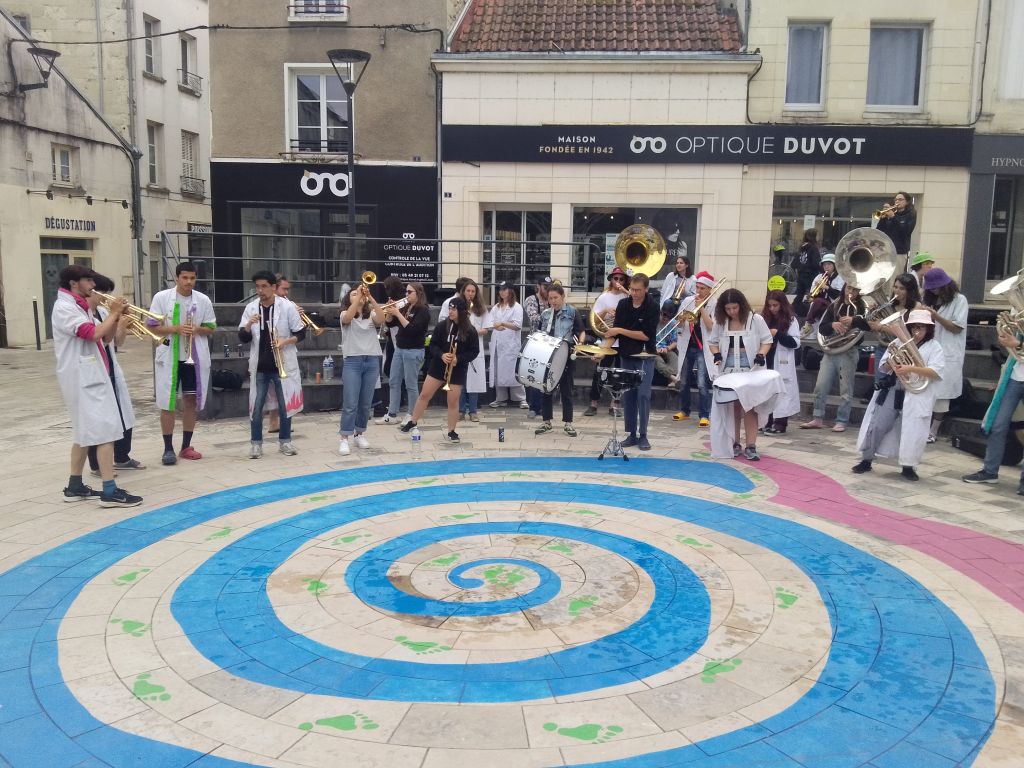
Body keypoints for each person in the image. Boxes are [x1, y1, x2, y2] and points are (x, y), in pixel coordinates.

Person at [52, 266, 142, 507]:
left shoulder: (80, 306)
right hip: (84, 378)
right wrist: (113, 312)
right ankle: (109, 490)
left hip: (90, 374)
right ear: (74, 283)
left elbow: (106, 338)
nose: (92, 284)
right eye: (88, 280)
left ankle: (74, 486)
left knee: (83, 433)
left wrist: (116, 318)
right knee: (105, 431)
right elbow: (91, 334)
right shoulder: (65, 308)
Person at [853, 309, 944, 481]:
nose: (917, 331)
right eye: (915, 327)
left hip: (917, 393)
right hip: (894, 389)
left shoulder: (935, 347)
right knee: (878, 424)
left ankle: (908, 466)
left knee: (912, 430)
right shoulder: (898, 342)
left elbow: (936, 371)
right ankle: (866, 460)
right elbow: (883, 367)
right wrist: (891, 363)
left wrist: (911, 368)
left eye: (922, 327)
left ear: (928, 329)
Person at [148, 262, 216, 465]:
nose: (189, 282)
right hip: (170, 355)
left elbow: (211, 327)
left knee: (191, 401)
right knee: (167, 402)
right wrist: (176, 328)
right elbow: (151, 326)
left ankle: (186, 446)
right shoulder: (161, 297)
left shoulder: (203, 300)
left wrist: (197, 330)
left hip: (193, 358)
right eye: (185, 278)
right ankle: (167, 448)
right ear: (177, 278)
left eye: (192, 278)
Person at [238, 271, 304, 459]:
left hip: (282, 363)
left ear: (274, 287)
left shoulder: (287, 307)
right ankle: (256, 444)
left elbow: (301, 332)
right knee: (257, 406)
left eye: (264, 286)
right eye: (257, 287)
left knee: (285, 406)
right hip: (260, 366)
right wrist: (248, 325)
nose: (260, 290)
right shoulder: (251, 308)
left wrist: (285, 342)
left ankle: (285, 441)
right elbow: (243, 338)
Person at [85, 274, 144, 476]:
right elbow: (95, 338)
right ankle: (97, 465)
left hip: (111, 368)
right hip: (94, 371)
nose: (107, 297)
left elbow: (115, 342)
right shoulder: (84, 314)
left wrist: (121, 325)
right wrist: (115, 317)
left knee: (123, 413)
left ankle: (122, 456)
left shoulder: (103, 311)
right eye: (104, 293)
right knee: (99, 419)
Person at [708, 288, 775, 460]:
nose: (731, 312)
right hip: (729, 372)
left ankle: (751, 445)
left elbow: (767, 340)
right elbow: (713, 342)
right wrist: (716, 354)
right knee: (733, 409)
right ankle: (735, 442)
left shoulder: (756, 320)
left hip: (750, 371)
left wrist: (761, 354)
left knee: (750, 407)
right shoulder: (721, 322)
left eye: (735, 308)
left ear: (741, 306)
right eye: (728, 309)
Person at [401, 297, 480, 442]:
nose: (450, 311)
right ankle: (413, 421)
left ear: (462, 311)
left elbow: (474, 351)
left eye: (454, 309)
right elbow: (432, 345)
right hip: (438, 366)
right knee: (424, 394)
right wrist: (442, 355)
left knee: (453, 401)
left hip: (457, 369)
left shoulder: (470, 331)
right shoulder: (442, 325)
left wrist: (458, 359)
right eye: (449, 308)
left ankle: (451, 431)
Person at [962, 325, 1024, 495]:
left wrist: (1017, 343)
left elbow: (1017, 344)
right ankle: (990, 471)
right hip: (1014, 375)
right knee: (997, 425)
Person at [801, 283, 868, 432]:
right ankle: (817, 417)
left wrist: (853, 321)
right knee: (820, 386)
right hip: (831, 350)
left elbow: (866, 328)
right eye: (849, 288)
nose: (851, 292)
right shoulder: (834, 305)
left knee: (846, 390)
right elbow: (822, 328)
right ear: (844, 289)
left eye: (855, 290)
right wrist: (833, 324)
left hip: (849, 351)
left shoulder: (862, 307)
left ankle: (842, 420)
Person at [605, 274, 659, 450]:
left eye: (638, 290)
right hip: (626, 354)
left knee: (643, 395)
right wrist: (602, 351)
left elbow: (646, 335)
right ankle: (631, 434)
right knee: (628, 395)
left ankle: (643, 434)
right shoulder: (623, 304)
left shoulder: (652, 306)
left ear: (646, 289)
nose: (634, 293)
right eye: (632, 289)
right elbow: (615, 334)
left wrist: (620, 329)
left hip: (645, 355)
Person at [919, 268, 968, 442]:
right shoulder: (932, 300)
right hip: (931, 349)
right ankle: (923, 428)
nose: (933, 291)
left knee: (942, 394)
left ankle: (933, 431)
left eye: (936, 288)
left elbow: (956, 327)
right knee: (927, 390)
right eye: (930, 289)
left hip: (949, 351)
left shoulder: (960, 300)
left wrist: (935, 316)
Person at [338, 283, 384, 455]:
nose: (358, 296)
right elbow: (348, 317)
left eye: (360, 294)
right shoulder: (345, 313)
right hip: (353, 361)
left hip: (371, 360)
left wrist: (370, 297)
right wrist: (358, 298)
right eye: (353, 294)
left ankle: (359, 433)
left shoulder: (370, 314)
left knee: (365, 403)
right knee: (350, 402)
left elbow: (382, 318)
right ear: (348, 298)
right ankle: (344, 437)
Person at [535, 284, 585, 437]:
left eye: (556, 298)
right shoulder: (545, 314)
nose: (553, 301)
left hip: (566, 354)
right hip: (548, 355)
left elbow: (580, 331)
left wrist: (579, 345)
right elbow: (539, 333)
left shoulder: (572, 312)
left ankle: (568, 423)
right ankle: (546, 422)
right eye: (550, 298)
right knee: (546, 388)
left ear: (563, 297)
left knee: (566, 390)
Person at [377, 282, 429, 426]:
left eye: (409, 292)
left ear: (418, 293)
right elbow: (390, 324)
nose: (406, 295)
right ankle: (392, 413)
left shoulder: (423, 310)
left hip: (413, 350)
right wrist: (389, 312)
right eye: (406, 292)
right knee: (394, 381)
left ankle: (412, 414)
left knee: (411, 384)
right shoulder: (406, 307)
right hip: (400, 349)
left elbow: (413, 329)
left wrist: (398, 313)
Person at [672, 271, 717, 427]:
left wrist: (701, 308)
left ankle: (705, 415)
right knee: (683, 382)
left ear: (710, 290)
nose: (699, 291)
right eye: (697, 287)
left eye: (703, 288)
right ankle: (685, 411)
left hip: (704, 348)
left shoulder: (715, 304)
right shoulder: (688, 301)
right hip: (687, 345)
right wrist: (681, 320)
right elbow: (678, 324)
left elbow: (711, 327)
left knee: (702, 383)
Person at [584, 266, 629, 416]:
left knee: (619, 374)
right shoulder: (604, 297)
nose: (618, 281)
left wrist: (626, 292)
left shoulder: (627, 296)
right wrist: (605, 311)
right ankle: (593, 403)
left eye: (621, 279)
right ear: (611, 280)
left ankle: (614, 405)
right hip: (607, 338)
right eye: (615, 278)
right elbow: (594, 322)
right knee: (600, 372)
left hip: (622, 341)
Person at [865, 273, 923, 390]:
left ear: (910, 291)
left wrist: (882, 327)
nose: (897, 291)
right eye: (895, 287)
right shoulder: (889, 305)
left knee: (901, 388)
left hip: (906, 352)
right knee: (880, 386)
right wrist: (872, 314)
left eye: (902, 288)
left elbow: (910, 333)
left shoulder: (917, 306)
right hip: (885, 348)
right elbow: (875, 325)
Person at [761, 290, 801, 434]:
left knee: (782, 392)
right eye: (770, 305)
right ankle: (767, 420)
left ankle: (780, 423)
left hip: (782, 361)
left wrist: (778, 334)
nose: (772, 309)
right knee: (768, 392)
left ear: (782, 305)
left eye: (775, 305)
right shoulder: (764, 318)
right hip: (768, 359)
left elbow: (795, 342)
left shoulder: (791, 320)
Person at [488, 281, 526, 408]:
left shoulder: (516, 307)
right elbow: (490, 322)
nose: (502, 292)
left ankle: (520, 398)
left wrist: (503, 323)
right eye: (500, 289)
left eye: (505, 289)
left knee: (513, 371)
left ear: (511, 291)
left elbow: (517, 325)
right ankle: (501, 398)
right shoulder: (496, 307)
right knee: (499, 371)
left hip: (511, 345)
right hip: (498, 343)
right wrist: (497, 326)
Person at [267, 274, 295, 434]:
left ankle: (283, 420)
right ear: (274, 288)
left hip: (286, 349)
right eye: (283, 289)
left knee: (287, 387)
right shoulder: (265, 304)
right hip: (271, 350)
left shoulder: (288, 305)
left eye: (287, 289)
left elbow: (297, 330)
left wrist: (297, 314)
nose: (286, 293)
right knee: (272, 388)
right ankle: (273, 422)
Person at [459, 279, 490, 422]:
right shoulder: (458, 306)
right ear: (463, 292)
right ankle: (460, 410)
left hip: (475, 348)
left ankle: (473, 411)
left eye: (473, 291)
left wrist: (472, 331)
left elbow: (486, 329)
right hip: (461, 347)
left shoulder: (481, 309)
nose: (470, 294)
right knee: (461, 380)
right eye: (468, 291)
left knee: (474, 381)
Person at [523, 275, 552, 418]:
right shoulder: (530, 300)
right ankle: (534, 407)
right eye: (545, 287)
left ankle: (543, 407)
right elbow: (534, 318)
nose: (547, 290)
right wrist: (549, 310)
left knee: (547, 375)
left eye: (549, 287)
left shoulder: (552, 299)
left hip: (550, 341)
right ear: (538, 286)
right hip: (536, 342)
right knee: (535, 373)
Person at [800, 254, 842, 336]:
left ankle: (808, 324)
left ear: (834, 265)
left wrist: (827, 287)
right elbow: (812, 295)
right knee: (815, 302)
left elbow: (839, 296)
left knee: (818, 301)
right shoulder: (819, 277)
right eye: (824, 264)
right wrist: (816, 291)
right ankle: (811, 327)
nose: (826, 267)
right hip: (822, 306)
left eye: (829, 264)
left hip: (835, 306)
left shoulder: (839, 278)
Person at [875, 192, 917, 265]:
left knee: (897, 276)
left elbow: (905, 232)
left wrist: (893, 217)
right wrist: (883, 218)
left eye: (900, 199)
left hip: (899, 253)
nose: (897, 201)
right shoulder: (892, 214)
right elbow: (879, 231)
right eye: (896, 200)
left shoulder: (910, 215)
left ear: (907, 202)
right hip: (886, 251)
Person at [793, 228, 821, 314]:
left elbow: (795, 262)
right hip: (811, 274)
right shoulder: (813, 248)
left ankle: (794, 309)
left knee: (800, 294)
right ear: (814, 236)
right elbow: (816, 263)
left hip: (801, 274)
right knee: (812, 294)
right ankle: (811, 313)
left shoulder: (802, 247)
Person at [654, 302, 680, 386]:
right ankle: (673, 379)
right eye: (664, 315)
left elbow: (675, 342)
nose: (666, 318)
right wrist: (655, 349)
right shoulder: (653, 320)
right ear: (660, 312)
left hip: (666, 348)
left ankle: (672, 382)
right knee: (658, 360)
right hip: (653, 349)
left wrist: (667, 348)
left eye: (669, 317)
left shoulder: (672, 323)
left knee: (673, 357)